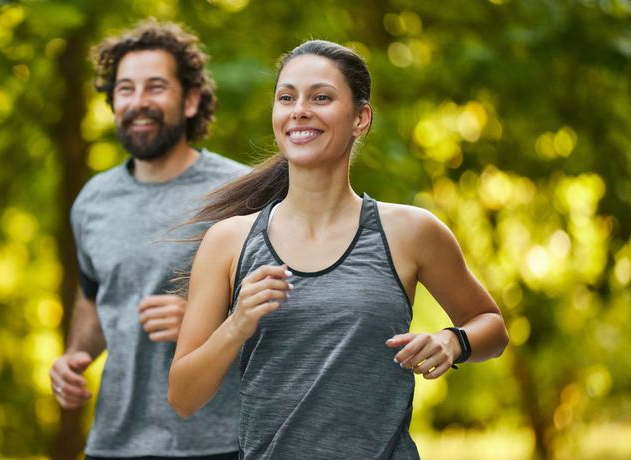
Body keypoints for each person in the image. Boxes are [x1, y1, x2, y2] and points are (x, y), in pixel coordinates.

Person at [168, 40, 510, 459]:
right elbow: (183, 396)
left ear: (360, 119)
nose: (300, 110)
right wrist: (237, 324)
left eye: (322, 98)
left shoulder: (410, 231)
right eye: (286, 97)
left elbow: (491, 324)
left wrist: (453, 342)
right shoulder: (229, 241)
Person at [49, 20, 248, 460]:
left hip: (220, 445)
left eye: (155, 87)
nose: (139, 102)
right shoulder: (93, 201)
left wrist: (205, 321)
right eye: (125, 89)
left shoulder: (243, 193)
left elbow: (299, 310)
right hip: (115, 442)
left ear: (191, 100)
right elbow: (95, 298)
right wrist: (74, 357)